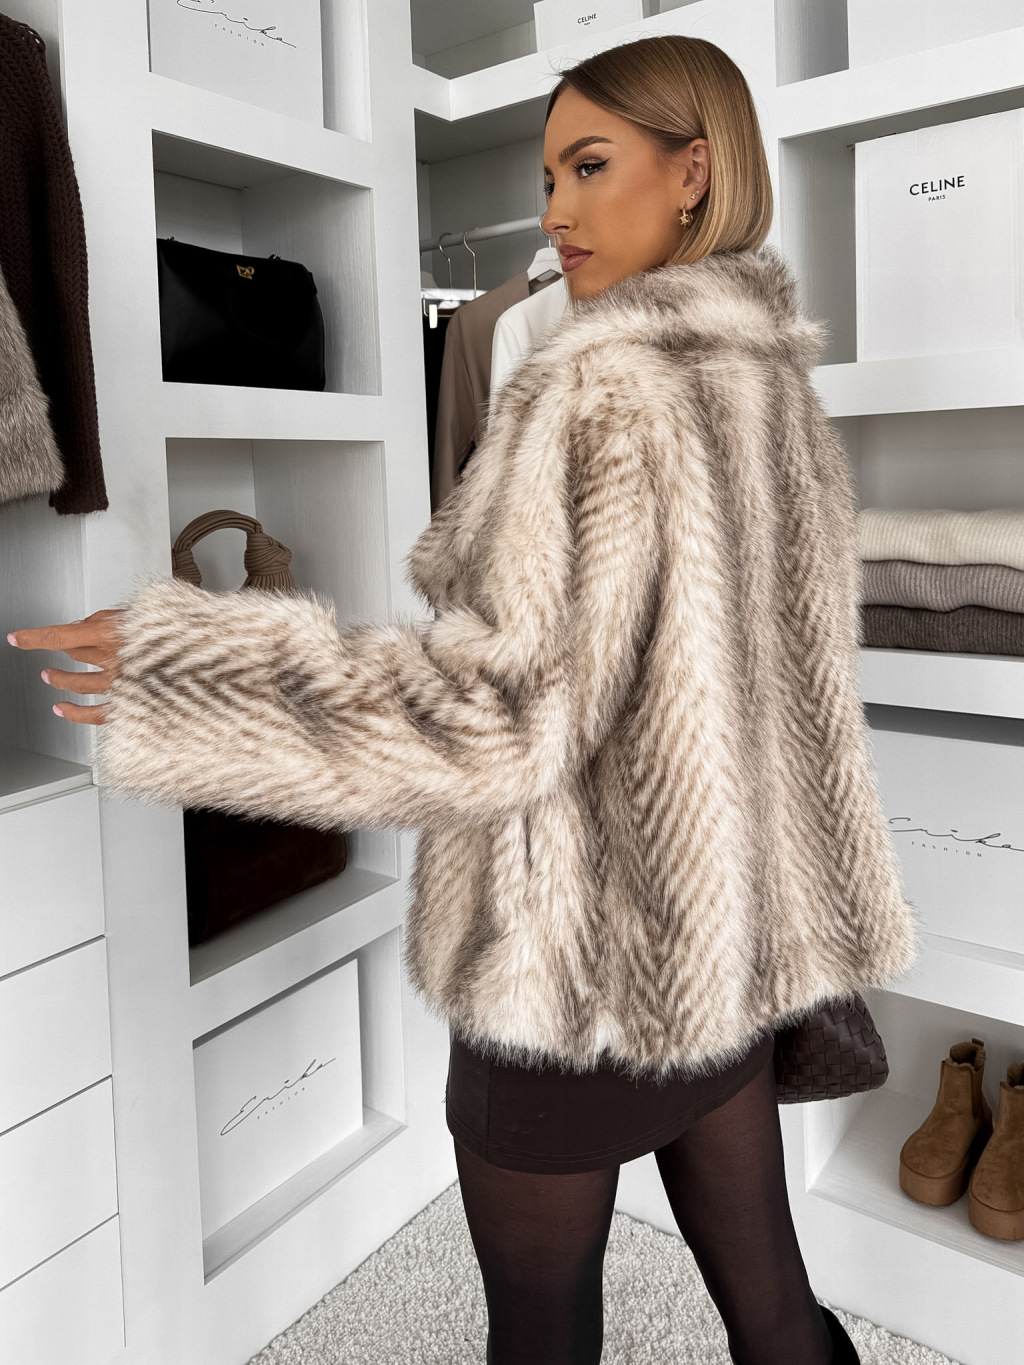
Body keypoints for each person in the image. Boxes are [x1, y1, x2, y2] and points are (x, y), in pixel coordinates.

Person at [10, 35, 914, 1365]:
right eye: (549, 177)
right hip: (721, 930)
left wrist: (194, 665)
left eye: (590, 167)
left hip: (574, 946)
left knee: (538, 1329)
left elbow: (500, 713)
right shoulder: (760, 372)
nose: (554, 213)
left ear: (693, 172)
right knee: (773, 1306)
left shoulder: (603, 393)